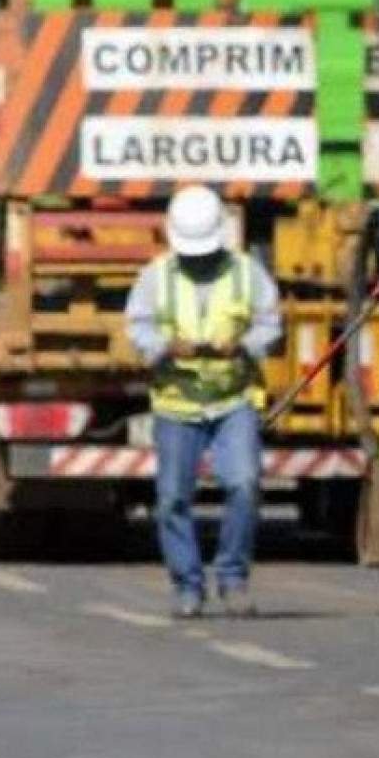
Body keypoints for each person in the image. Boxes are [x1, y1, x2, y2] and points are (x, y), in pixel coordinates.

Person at [124, 184, 280, 620]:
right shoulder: (156, 277)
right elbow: (137, 328)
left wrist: (244, 346)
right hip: (176, 404)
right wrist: (165, 347)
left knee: (244, 484)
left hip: (233, 400)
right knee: (173, 498)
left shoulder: (247, 273)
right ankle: (187, 585)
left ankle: (232, 578)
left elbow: (269, 323)